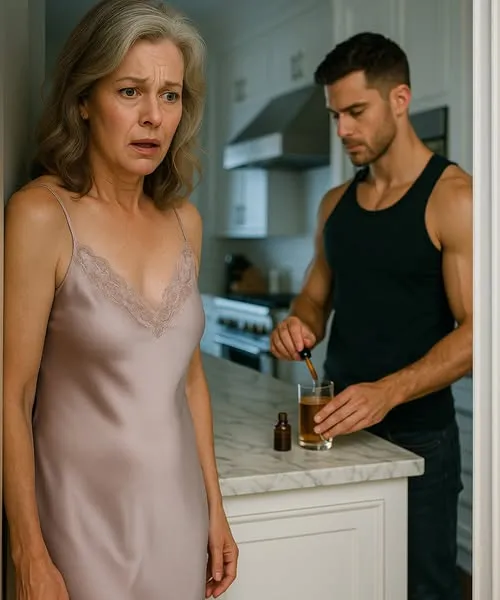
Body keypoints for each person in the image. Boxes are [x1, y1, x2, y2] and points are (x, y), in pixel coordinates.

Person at [3, 1, 238, 599]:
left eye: (170, 95)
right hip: (78, 524)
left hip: (177, 516)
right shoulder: (41, 215)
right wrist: (28, 551)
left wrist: (215, 508)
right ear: (84, 100)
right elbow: (11, 393)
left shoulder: (185, 221)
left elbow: (189, 382)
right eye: (130, 91)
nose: (153, 117)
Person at [271, 32, 472, 600]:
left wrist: (388, 392)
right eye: (335, 115)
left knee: (423, 589)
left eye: (356, 112)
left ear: (399, 99)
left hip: (420, 437)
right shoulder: (335, 203)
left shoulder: (454, 198)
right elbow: (314, 298)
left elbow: (481, 333)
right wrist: (299, 322)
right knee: (344, 582)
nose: (342, 130)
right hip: (338, 428)